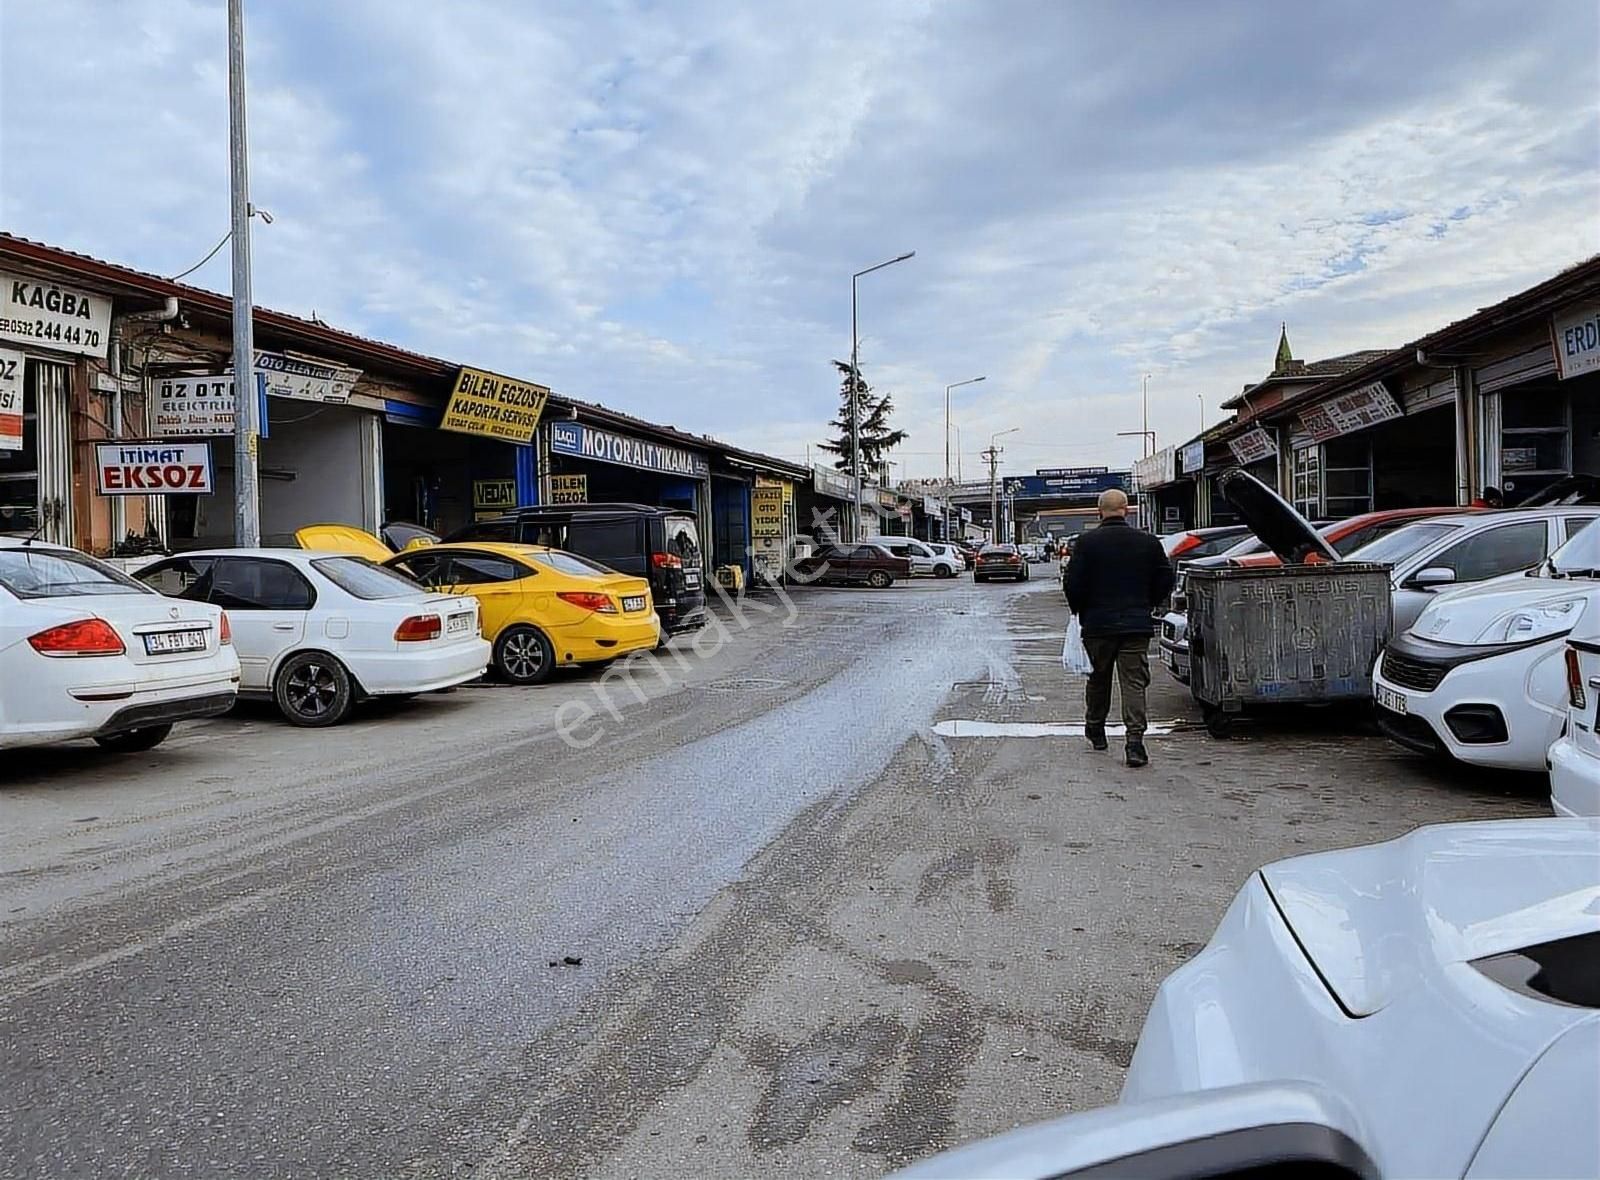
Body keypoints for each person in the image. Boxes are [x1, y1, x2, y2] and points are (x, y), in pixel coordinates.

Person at [1064, 488, 1175, 767]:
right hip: (1136, 624)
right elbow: (1166, 578)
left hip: (1098, 624)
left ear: (1099, 512)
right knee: (1134, 683)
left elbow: (1073, 583)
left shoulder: (1086, 543)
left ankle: (1096, 730)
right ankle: (1135, 743)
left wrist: (1081, 610)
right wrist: (1147, 603)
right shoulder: (1148, 542)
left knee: (1098, 679)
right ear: (1127, 509)